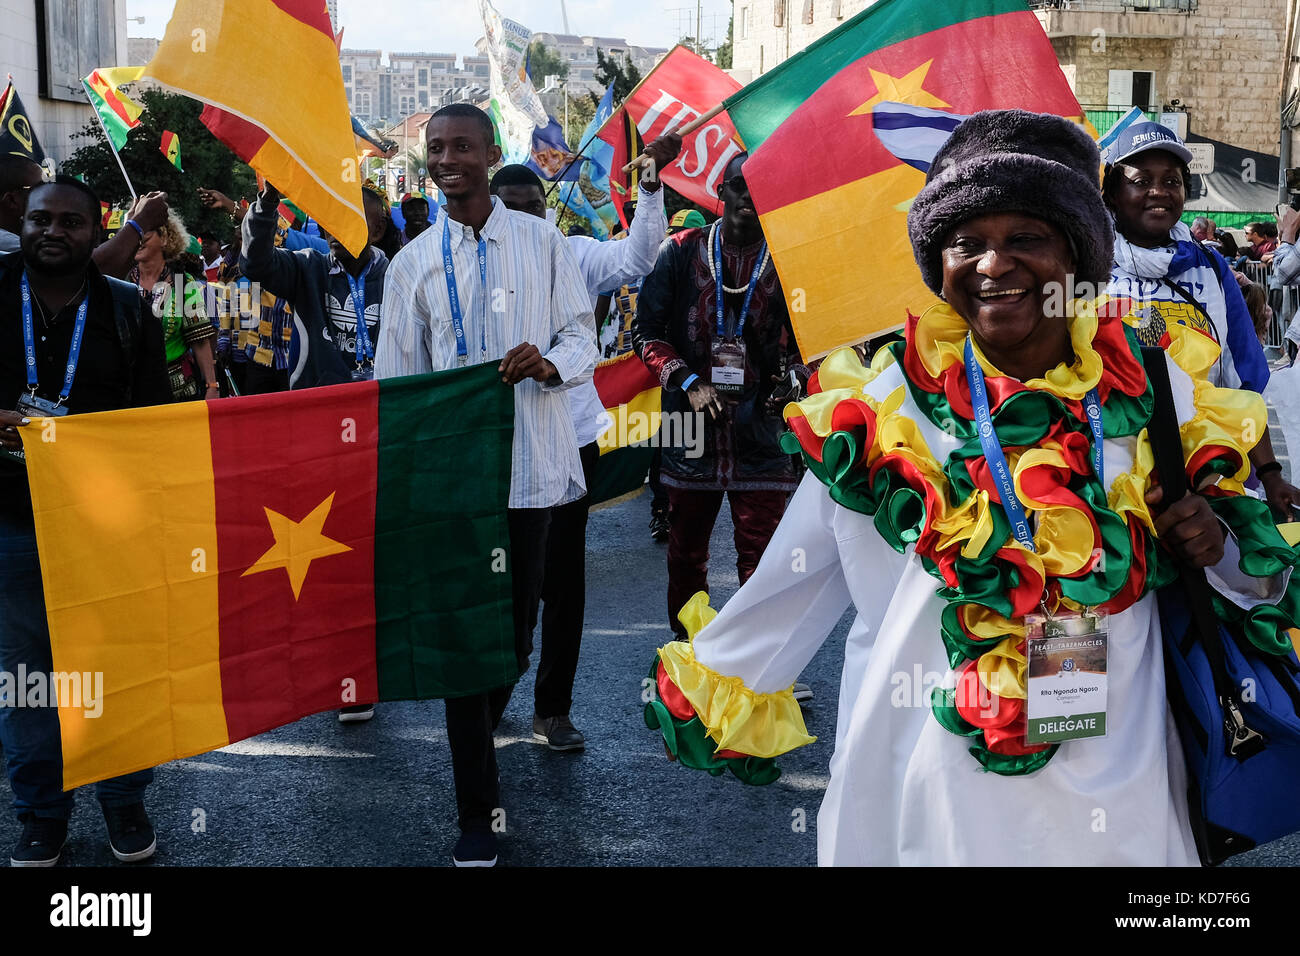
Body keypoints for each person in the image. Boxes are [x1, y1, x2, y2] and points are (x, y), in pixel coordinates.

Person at [642, 110, 1300, 865]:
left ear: (1077, 259)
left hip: (1117, 790)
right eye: (967, 243)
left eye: (1027, 238)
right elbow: (798, 575)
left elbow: (1261, 582)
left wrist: (1216, 546)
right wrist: (718, 682)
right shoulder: (882, 406)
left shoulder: (1154, 387)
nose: (994, 264)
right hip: (917, 789)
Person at [374, 103, 597, 866]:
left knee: (513, 641)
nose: (447, 159)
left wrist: (549, 364)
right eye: (436, 148)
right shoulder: (411, 266)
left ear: (490, 152)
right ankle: (477, 804)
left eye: (461, 146)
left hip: (531, 475)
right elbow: (396, 384)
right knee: (466, 647)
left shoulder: (543, 244)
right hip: (452, 488)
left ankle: (478, 734)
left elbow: (583, 336)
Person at [488, 134, 680, 752]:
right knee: (503, 581)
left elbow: (638, 259)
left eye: (531, 208)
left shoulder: (572, 254)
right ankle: (490, 695)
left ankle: (554, 710)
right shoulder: (468, 265)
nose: (521, 219)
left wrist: (648, 189)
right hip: (493, 449)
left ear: (547, 211)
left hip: (566, 444)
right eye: (508, 209)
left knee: (563, 582)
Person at [0, 176, 171, 866]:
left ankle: (124, 802)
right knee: (28, 679)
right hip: (12, 520)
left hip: (108, 522)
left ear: (97, 229)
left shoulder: (129, 311)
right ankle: (42, 814)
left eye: (71, 223)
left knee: (115, 672)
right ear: (23, 221)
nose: (53, 232)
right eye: (42, 219)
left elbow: (157, 427)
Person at [632, 152, 809, 648]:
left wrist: (794, 379)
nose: (747, 198)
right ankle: (689, 655)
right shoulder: (681, 252)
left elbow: (812, 342)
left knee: (765, 555)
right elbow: (645, 333)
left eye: (758, 189)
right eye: (738, 186)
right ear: (721, 191)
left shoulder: (789, 256)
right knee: (686, 552)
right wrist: (687, 380)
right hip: (688, 426)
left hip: (764, 427)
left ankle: (759, 663)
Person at [1103, 121, 1300, 515]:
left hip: (1205, 474)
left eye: (1172, 181)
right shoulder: (1084, 265)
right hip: (1111, 477)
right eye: (1141, 180)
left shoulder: (1211, 268)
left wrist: (1271, 473)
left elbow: (1244, 382)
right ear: (1111, 192)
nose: (1158, 191)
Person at [240, 180, 390, 391]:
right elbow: (255, 264)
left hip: (380, 405)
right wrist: (268, 200)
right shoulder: (307, 268)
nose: (335, 228)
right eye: (331, 218)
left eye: (349, 219)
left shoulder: (395, 277)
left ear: (378, 229)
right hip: (319, 407)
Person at [129, 211, 220, 402]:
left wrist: (212, 386)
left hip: (176, 391)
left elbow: (200, 340)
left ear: (165, 238)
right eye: (133, 231)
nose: (137, 239)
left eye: (145, 232)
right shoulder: (118, 280)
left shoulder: (183, 283)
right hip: (127, 392)